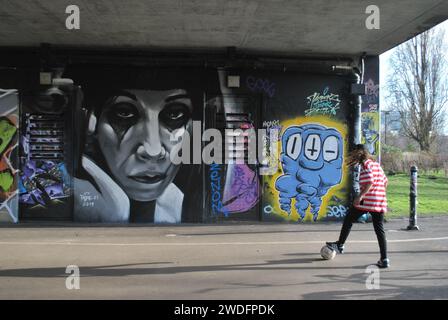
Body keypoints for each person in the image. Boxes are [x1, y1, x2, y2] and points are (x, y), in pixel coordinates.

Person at [65, 66, 217, 223]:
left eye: (174, 115)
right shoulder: (62, 189)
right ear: (90, 122)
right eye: (124, 114)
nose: (153, 151)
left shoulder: (174, 206)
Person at [326, 144, 390, 268]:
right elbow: (386, 181)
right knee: (379, 230)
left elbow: (370, 181)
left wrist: (360, 196)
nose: (352, 155)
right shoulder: (377, 165)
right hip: (379, 201)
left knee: (349, 218)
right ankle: (384, 259)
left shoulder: (366, 164)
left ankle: (340, 245)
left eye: (354, 153)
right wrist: (379, 194)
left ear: (359, 153)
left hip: (367, 201)